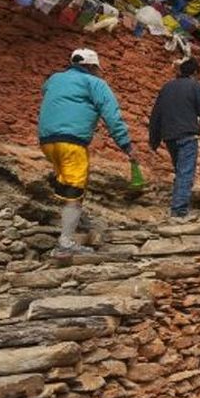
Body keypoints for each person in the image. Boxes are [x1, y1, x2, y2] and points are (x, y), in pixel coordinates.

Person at [38, 48, 135, 254]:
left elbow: (47, 91)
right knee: (75, 187)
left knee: (67, 184)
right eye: (96, 68)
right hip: (72, 142)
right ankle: (65, 242)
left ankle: (75, 221)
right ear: (91, 66)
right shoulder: (95, 83)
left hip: (47, 141)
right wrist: (126, 145)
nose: (98, 72)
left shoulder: (54, 79)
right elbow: (112, 116)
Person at [148, 57, 200, 218]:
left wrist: (154, 140)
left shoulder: (166, 88)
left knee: (180, 171)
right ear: (195, 73)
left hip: (169, 137)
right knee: (185, 173)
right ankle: (179, 210)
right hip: (187, 135)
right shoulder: (196, 87)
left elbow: (156, 114)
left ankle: (178, 204)